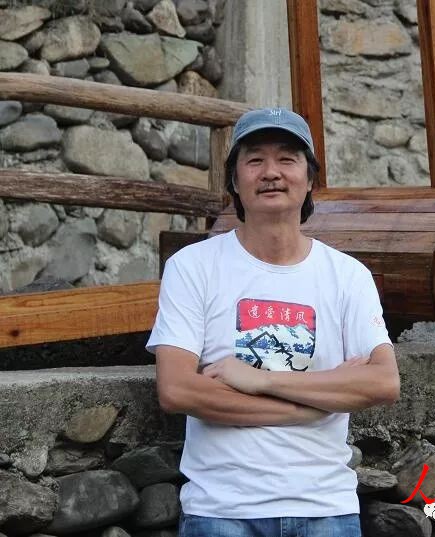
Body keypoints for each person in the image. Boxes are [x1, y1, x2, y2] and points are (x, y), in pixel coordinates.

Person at [146, 107, 400, 537]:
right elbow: (177, 389)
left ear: (310, 178)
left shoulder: (347, 275)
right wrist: (314, 404)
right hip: (222, 511)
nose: (271, 172)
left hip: (326, 509)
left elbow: (383, 382)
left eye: (287, 159)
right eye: (254, 160)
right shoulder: (193, 267)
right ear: (234, 180)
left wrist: (258, 380)